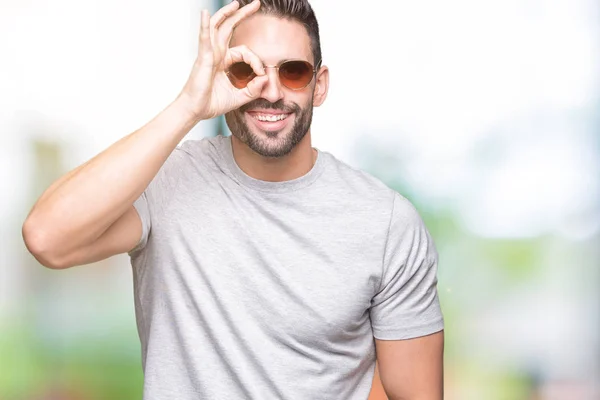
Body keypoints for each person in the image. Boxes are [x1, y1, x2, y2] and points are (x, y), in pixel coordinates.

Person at [22, 0, 444, 398]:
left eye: (294, 71)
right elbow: (46, 237)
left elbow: (415, 394)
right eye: (247, 70)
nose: (272, 91)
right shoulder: (168, 182)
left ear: (320, 85)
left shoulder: (385, 222)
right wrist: (188, 106)